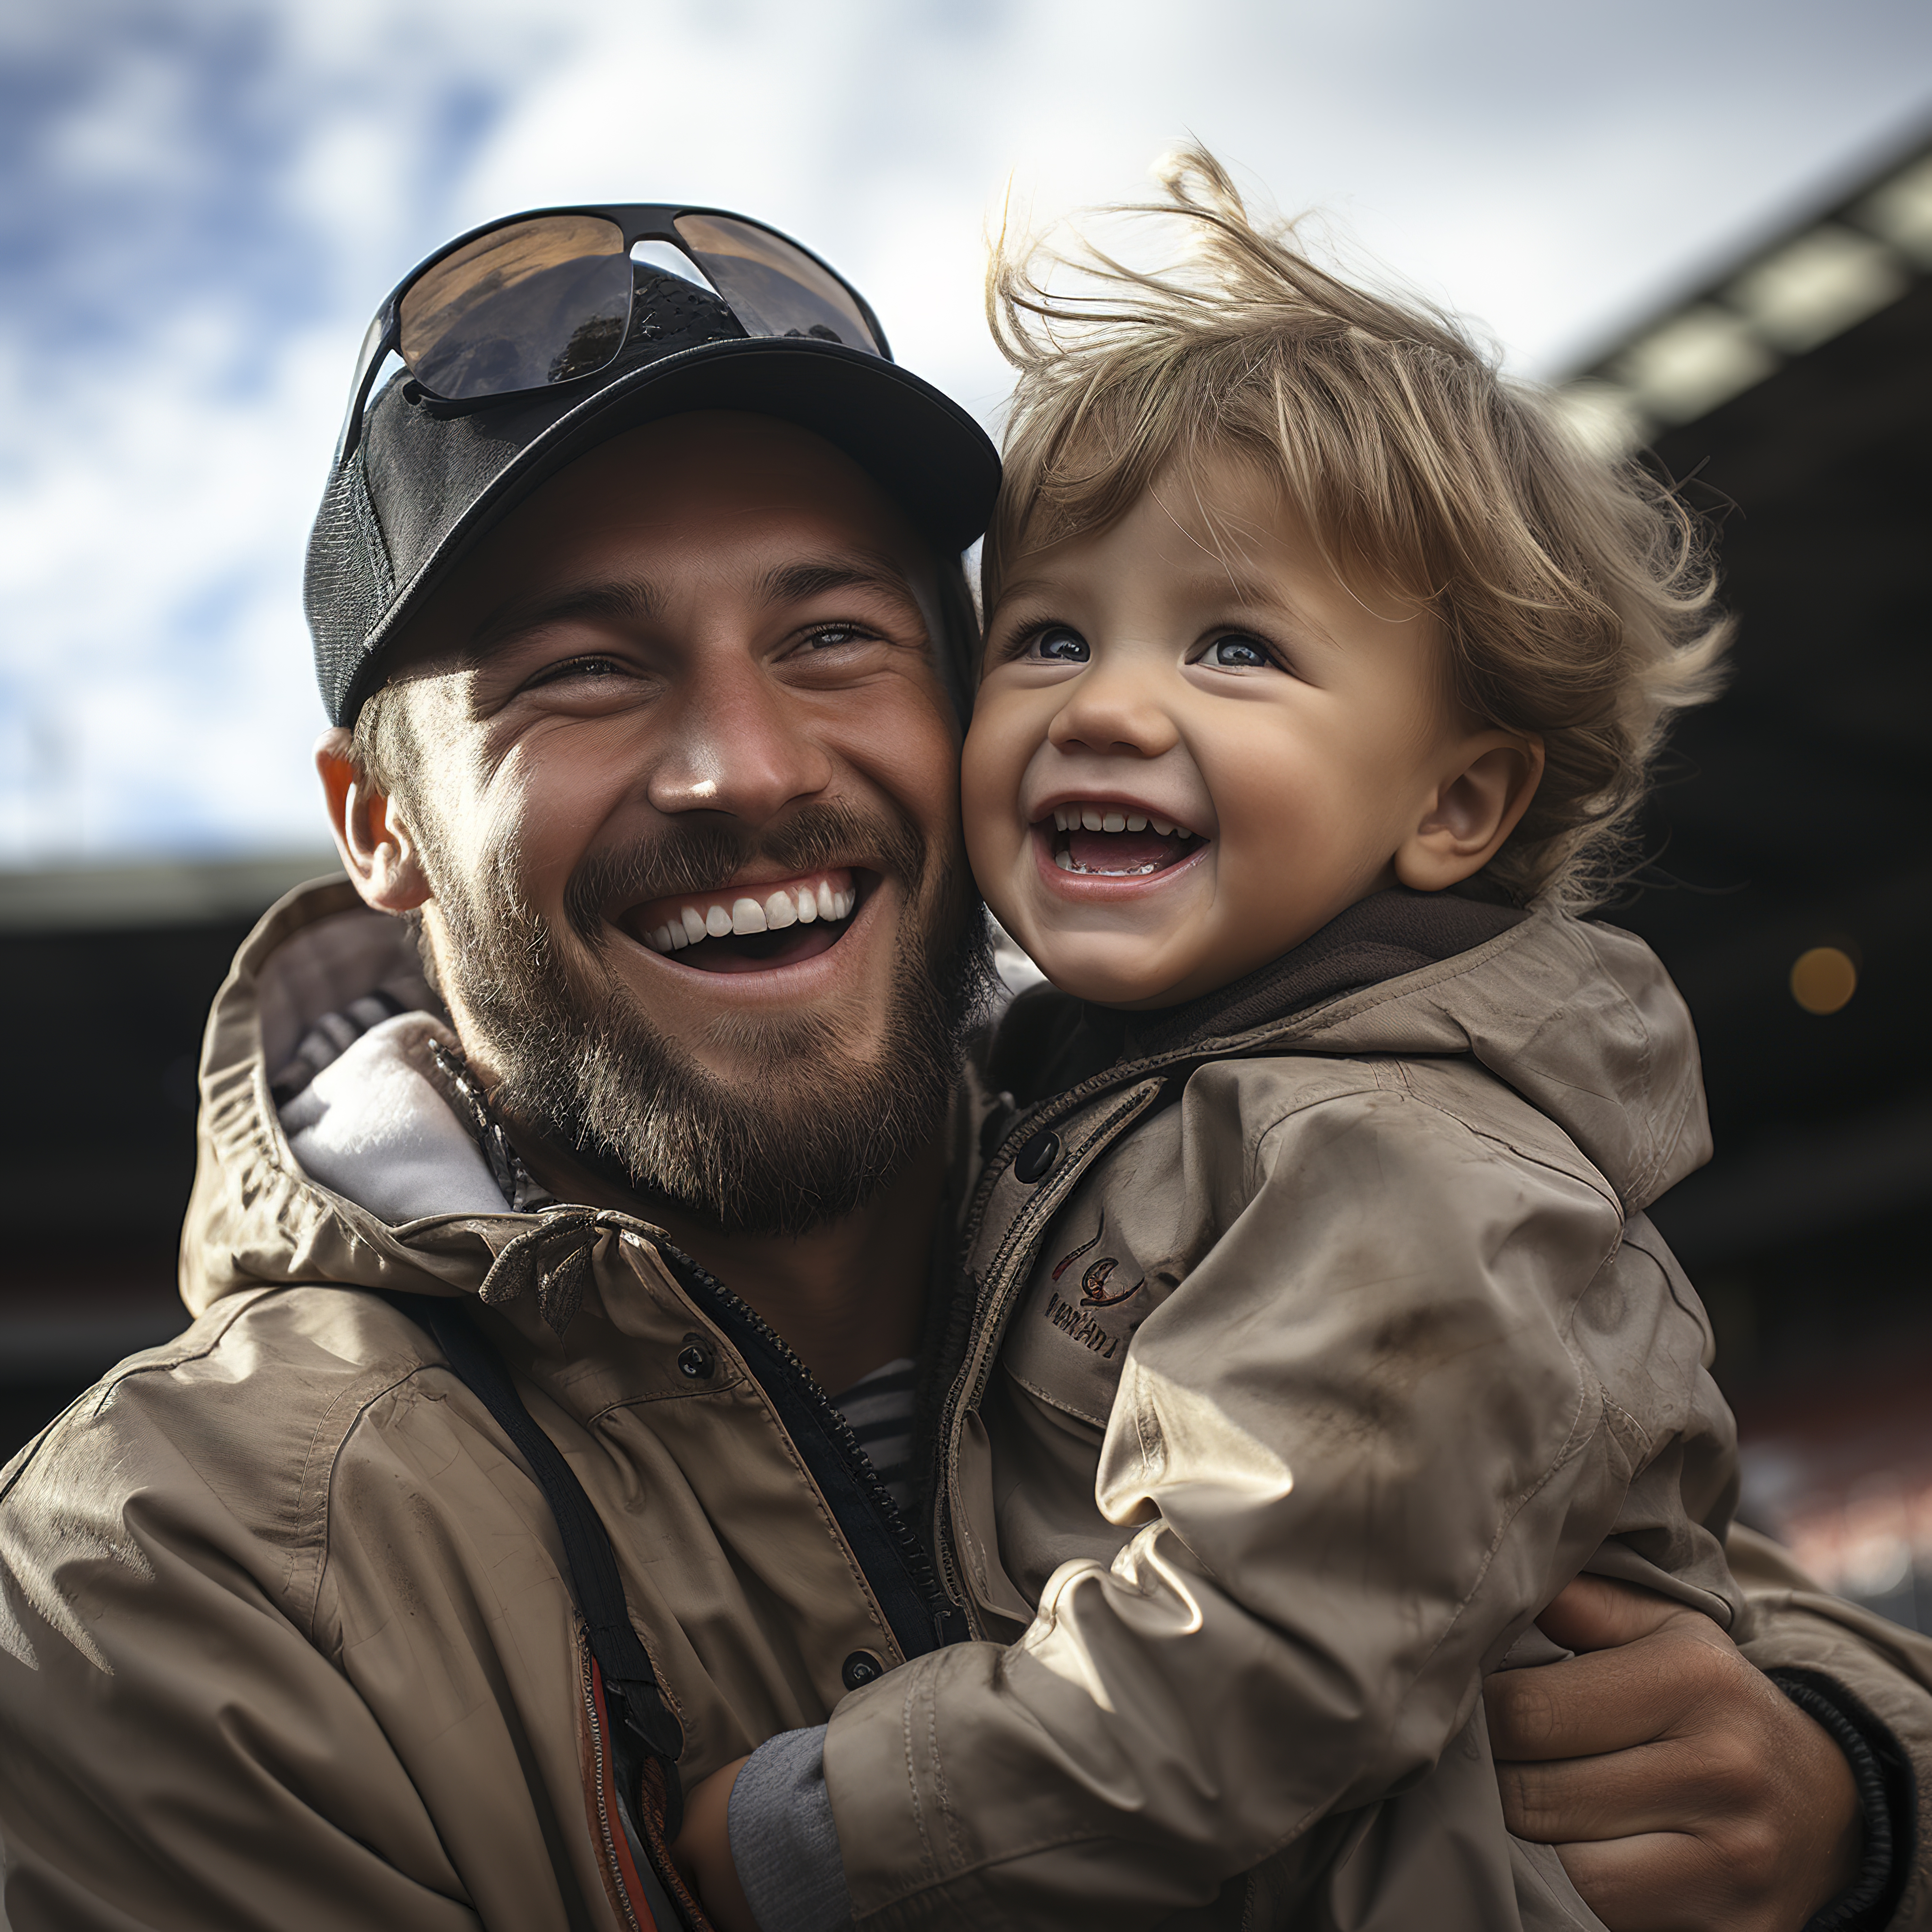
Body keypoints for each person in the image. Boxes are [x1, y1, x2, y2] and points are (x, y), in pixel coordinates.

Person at [0, 197, 1923, 1932]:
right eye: (581, 671)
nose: (744, 768)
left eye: (835, 635)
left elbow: (1726, 1612)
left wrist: (1845, 1796)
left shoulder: (1256, 1167)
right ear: (378, 822)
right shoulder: (161, 1584)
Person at [664, 148, 1925, 1932]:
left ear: (1456, 803)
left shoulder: (1397, 1163)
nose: (1108, 701)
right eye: (1045, 635)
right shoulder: (1113, 1106)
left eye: (1236, 645)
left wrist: (803, 1830)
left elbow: (1235, 1670)